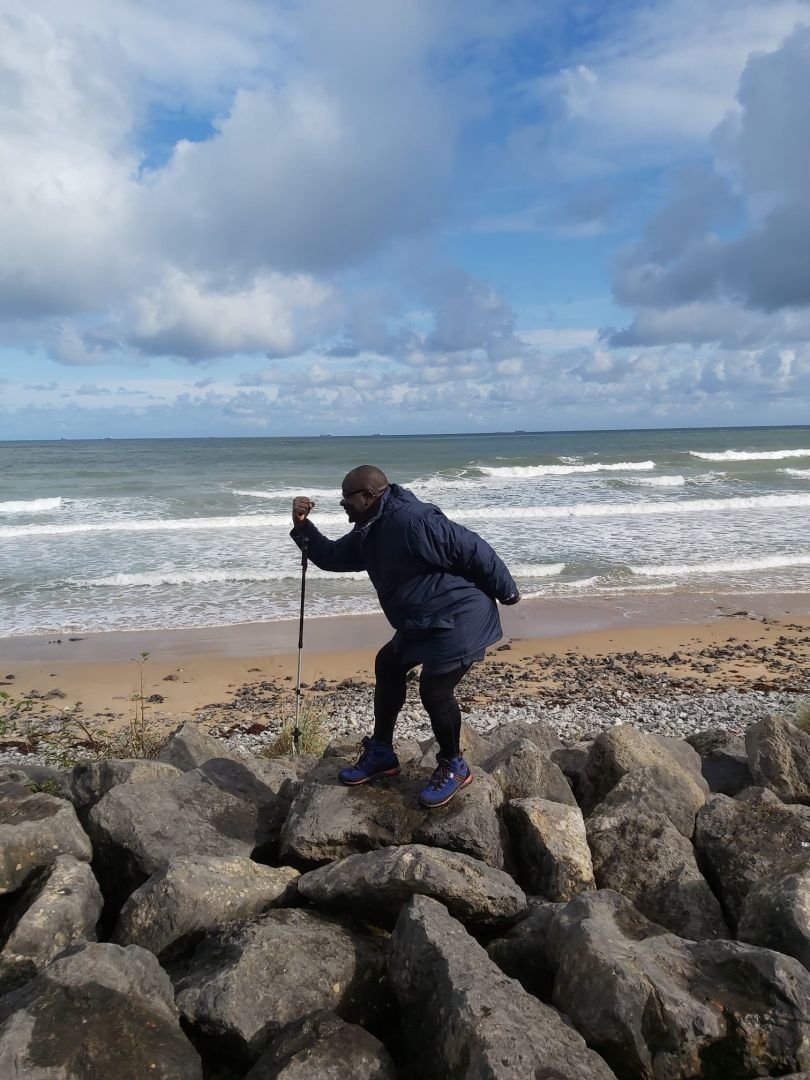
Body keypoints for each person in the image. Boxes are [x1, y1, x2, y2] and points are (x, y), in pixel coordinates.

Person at [290, 465, 520, 808]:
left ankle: (454, 765)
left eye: (345, 499)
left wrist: (507, 591)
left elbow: (471, 547)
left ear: (368, 496)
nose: (342, 505)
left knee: (434, 689)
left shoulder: (413, 520)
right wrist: (303, 528)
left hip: (460, 616)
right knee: (388, 664)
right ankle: (382, 752)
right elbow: (334, 556)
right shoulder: (370, 529)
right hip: (423, 620)